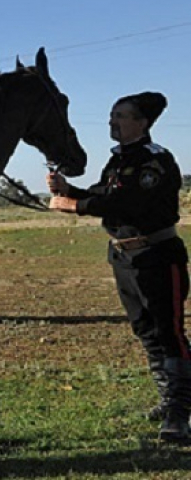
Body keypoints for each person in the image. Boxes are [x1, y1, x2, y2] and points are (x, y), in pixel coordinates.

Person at [47, 91, 190, 443]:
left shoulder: (154, 162)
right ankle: (166, 397)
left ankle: (179, 414)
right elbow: (101, 193)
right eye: (112, 114)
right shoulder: (117, 161)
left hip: (157, 256)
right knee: (146, 331)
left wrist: (74, 207)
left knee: (170, 333)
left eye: (120, 116)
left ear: (142, 122)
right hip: (125, 259)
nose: (112, 121)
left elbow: (129, 203)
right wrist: (68, 190)